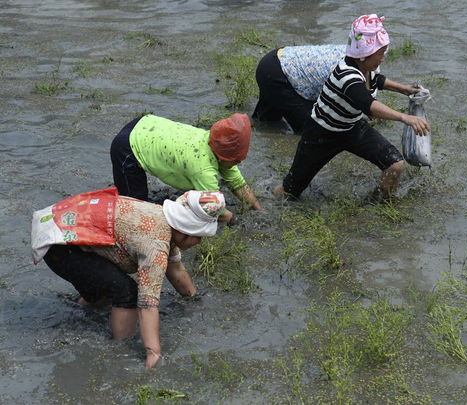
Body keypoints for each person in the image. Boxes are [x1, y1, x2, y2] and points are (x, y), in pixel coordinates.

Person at [32, 188, 228, 368]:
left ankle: (79, 310)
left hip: (61, 226)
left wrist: (193, 298)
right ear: (185, 229)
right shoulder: (155, 245)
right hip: (61, 244)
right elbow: (147, 304)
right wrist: (154, 353)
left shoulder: (161, 218)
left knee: (104, 288)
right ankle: (119, 349)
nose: (200, 241)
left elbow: (175, 268)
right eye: (198, 235)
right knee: (127, 293)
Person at [273, 14, 431, 200]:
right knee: (290, 190)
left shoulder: (368, 68)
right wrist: (405, 117)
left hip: (352, 127)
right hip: (321, 134)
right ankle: (270, 201)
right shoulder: (346, 75)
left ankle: (380, 202)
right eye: (380, 54)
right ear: (364, 55)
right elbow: (369, 106)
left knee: (394, 164)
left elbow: (377, 81)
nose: (382, 58)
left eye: (384, 53)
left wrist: (404, 89)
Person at [110, 113, 263, 216]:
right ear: (225, 156)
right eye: (237, 160)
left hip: (146, 124)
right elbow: (215, 209)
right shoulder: (203, 169)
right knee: (135, 208)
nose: (239, 162)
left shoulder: (216, 142)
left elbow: (237, 183)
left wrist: (258, 209)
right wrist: (234, 220)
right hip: (127, 147)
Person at [252, 44, 346, 133]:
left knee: (266, 123)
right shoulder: (349, 74)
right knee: (311, 131)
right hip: (279, 76)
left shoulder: (352, 52)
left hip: (276, 59)